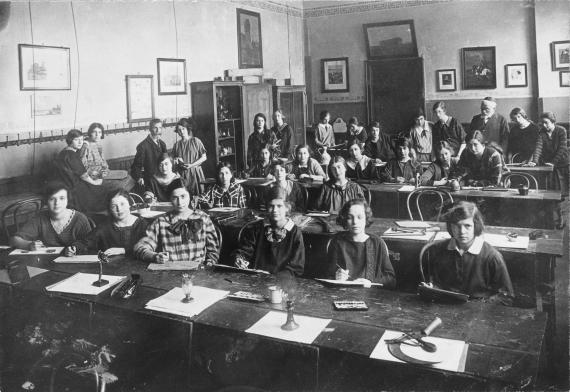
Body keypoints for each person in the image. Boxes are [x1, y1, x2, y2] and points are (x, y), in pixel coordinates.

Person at [421, 201, 514, 302]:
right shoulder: (440, 249)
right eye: (456, 225)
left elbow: (506, 296)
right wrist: (432, 288)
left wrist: (481, 305)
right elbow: (438, 283)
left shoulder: (492, 256)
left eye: (467, 226)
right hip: (446, 307)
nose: (462, 231)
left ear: (476, 226)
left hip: (479, 311)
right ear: (450, 227)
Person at [134, 186, 220, 266]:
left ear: (190, 197)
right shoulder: (161, 221)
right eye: (175, 198)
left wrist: (210, 263)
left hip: (198, 271)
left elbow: (213, 250)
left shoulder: (203, 218)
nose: (180, 202)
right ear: (170, 200)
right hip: (171, 271)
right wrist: (154, 256)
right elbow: (139, 248)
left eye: (183, 196)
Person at [232, 187, 304, 276]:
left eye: (279, 206)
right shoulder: (257, 228)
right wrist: (240, 259)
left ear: (287, 208)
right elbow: (245, 251)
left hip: (282, 281)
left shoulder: (294, 232)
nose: (275, 210)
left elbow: (296, 266)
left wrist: (281, 278)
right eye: (271, 206)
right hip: (256, 278)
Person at [10, 182, 93, 256]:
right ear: (46, 201)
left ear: (68, 200)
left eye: (62, 198)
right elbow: (14, 239)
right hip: (48, 264)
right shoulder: (40, 218)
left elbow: (90, 244)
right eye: (52, 199)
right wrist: (28, 245)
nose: (57, 203)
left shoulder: (80, 219)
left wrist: (75, 249)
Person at [327, 199, 396, 288]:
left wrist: (371, 283)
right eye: (349, 217)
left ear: (366, 218)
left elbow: (391, 279)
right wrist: (336, 277)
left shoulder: (377, 242)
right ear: (344, 219)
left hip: (371, 296)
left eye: (359, 217)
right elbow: (327, 275)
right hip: (342, 293)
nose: (355, 222)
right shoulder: (337, 241)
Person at [54, 129, 108, 212]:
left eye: (82, 139)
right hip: (74, 188)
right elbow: (84, 176)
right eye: (76, 140)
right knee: (101, 190)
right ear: (70, 140)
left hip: (66, 185)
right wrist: (95, 183)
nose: (80, 142)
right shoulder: (72, 155)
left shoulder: (64, 152)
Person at [90, 189, 148, 256]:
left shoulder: (143, 224)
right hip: (111, 265)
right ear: (110, 209)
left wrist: (123, 250)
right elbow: (86, 242)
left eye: (122, 204)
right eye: (114, 206)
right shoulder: (105, 227)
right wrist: (75, 248)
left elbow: (150, 247)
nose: (119, 209)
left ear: (129, 204)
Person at [528, 112, 569, 197]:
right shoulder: (541, 132)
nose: (544, 125)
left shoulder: (561, 130)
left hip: (562, 163)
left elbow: (562, 148)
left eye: (546, 123)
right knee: (552, 189)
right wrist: (535, 161)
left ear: (553, 122)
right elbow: (538, 147)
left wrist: (553, 162)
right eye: (542, 123)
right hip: (549, 163)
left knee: (564, 190)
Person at [172, 117, 207, 197]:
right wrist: (176, 159)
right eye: (179, 130)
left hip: (195, 173)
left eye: (183, 129)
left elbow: (204, 157)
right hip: (183, 175)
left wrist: (191, 165)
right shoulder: (176, 145)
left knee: (198, 197)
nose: (181, 131)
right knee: (185, 196)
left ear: (187, 128)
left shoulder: (195, 141)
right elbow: (174, 161)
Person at [131, 119, 167, 192]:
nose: (158, 130)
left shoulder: (162, 144)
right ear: (150, 129)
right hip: (150, 180)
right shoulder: (143, 146)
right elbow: (136, 166)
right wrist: (139, 178)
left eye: (160, 128)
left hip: (162, 178)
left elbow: (166, 161)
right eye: (155, 128)